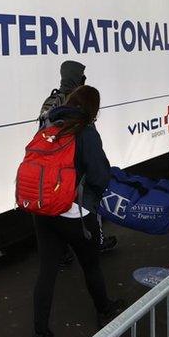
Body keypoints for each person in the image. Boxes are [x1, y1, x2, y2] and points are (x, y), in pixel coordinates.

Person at [30, 85, 125, 337]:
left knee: (46, 272)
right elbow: (99, 175)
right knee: (91, 265)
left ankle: (39, 336)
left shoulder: (49, 123)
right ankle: (104, 310)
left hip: (44, 210)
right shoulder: (85, 131)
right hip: (76, 214)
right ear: (92, 109)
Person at [38, 61, 118, 264]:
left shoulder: (51, 100)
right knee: (84, 209)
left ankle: (62, 252)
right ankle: (97, 241)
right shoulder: (80, 100)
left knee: (57, 212)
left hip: (53, 167)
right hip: (75, 167)